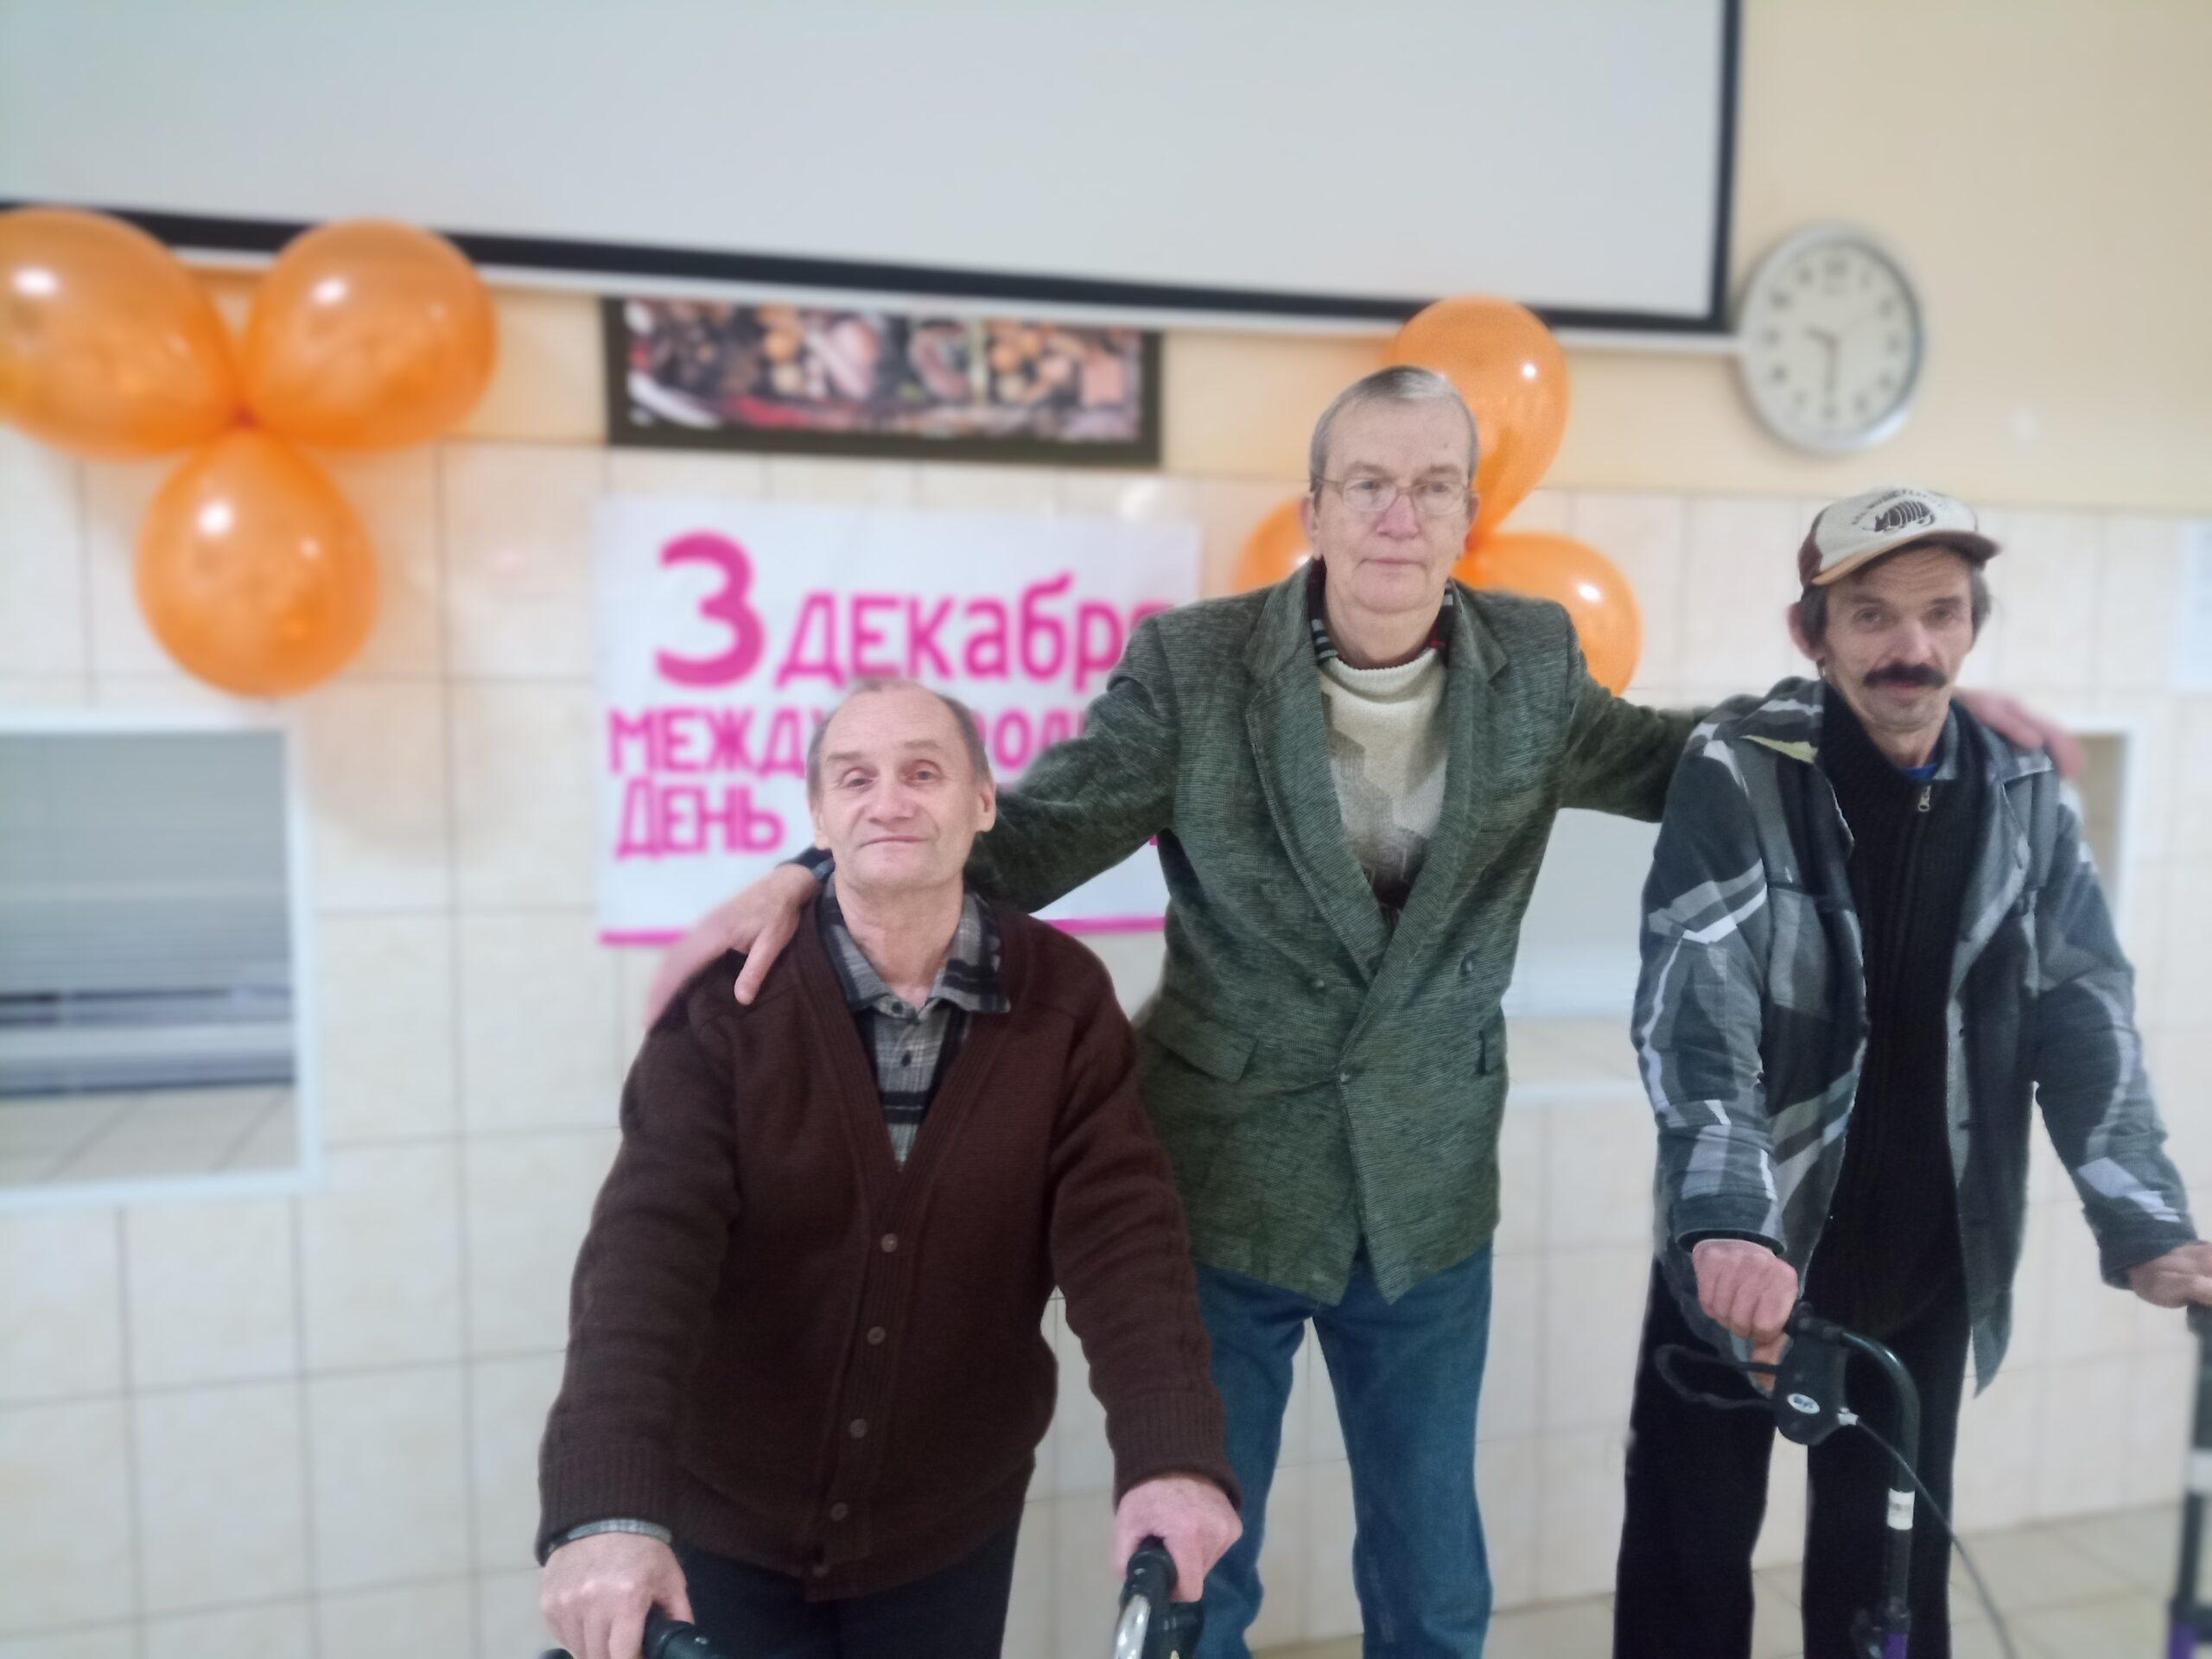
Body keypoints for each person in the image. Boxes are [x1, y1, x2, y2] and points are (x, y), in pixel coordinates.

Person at [645, 374, 2068, 1659]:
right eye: (1369, 484)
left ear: (1468, 513)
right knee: (1203, 1570)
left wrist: (1899, 709)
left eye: (1433, 485)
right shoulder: (1194, 669)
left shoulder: (1531, 661)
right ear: (1317, 508)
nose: (1400, 515)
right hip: (1224, 1191)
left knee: (1433, 1581)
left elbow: (1686, 756)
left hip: (1429, 1199)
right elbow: (1028, 839)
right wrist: (821, 869)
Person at [1613, 486, 2212, 1659]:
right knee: (1686, 1578)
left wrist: (2144, 1217)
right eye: (1873, 615)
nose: (1912, 648)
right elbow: (1697, 1012)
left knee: (1886, 1594)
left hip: (1925, 1267)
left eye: (1941, 613)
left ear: (1973, 626)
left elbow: (2081, 1011)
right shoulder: (1737, 772)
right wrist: (1725, 1224)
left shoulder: (2024, 792)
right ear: (1812, 632)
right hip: (1743, 1260)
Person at [537, 678, 1239, 1659]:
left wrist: (1171, 1459)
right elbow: (644, 1257)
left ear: (983, 803)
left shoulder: (1065, 1000)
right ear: (818, 815)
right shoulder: (727, 1004)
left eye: (923, 772)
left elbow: (1125, 1243)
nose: (890, 801)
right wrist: (605, 1509)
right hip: (727, 1523)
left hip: (947, 1532)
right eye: (855, 778)